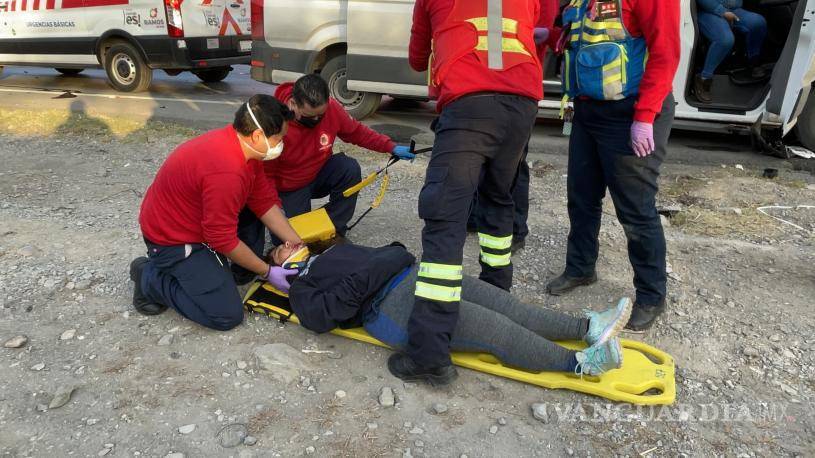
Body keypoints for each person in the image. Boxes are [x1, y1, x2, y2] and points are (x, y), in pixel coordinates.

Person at [398, 0, 545, 386]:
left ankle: (428, 354)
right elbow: (538, 26)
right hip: (522, 105)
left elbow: (417, 58)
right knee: (498, 200)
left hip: (470, 103)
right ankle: (496, 299)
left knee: (446, 216)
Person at [269, 241, 632, 380]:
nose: (289, 242)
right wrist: (372, 272)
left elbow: (395, 251)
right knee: (493, 328)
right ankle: (582, 364)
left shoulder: (333, 249)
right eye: (280, 249)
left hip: (413, 273)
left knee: (506, 306)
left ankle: (586, 326)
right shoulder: (303, 286)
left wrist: (376, 266)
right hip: (389, 307)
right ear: (282, 268)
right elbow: (322, 318)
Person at [545, 0, 681, 332]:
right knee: (581, 198)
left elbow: (665, 54)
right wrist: (549, 36)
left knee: (636, 209)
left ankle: (651, 296)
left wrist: (645, 117)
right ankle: (580, 268)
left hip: (630, 113)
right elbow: (578, 43)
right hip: (587, 112)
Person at [130, 95, 304, 331]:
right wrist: (267, 271)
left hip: (194, 224)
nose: (282, 143)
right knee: (226, 314)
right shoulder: (227, 171)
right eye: (279, 138)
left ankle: (201, 271)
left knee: (228, 275)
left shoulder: (245, 149)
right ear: (257, 135)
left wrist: (297, 242)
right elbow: (221, 238)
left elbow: (263, 201)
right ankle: (148, 277)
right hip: (171, 240)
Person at [260, 74, 416, 243]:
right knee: (289, 240)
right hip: (289, 187)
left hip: (318, 173)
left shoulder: (331, 109)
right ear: (292, 104)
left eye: (320, 115)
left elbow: (357, 133)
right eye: (309, 116)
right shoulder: (274, 124)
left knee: (348, 168)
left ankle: (334, 228)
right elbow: (265, 176)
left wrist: (391, 147)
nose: (316, 120)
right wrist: (275, 208)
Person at [467, 1, 563, 253]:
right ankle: (477, 217)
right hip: (485, 81)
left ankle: (516, 229)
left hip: (517, 87)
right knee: (481, 158)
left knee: (513, 165)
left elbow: (541, 32)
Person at [693, 0, 767, 103]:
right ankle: (704, 78)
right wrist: (722, 11)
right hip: (707, 11)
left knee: (758, 23)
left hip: (734, 9)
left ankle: (752, 62)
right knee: (725, 39)